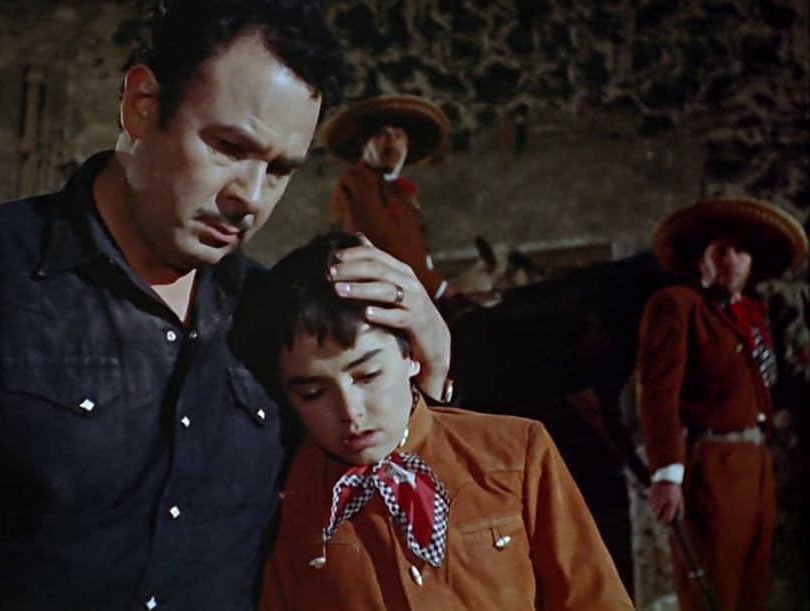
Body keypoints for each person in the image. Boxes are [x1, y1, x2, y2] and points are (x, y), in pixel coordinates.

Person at [0, 0, 453, 611]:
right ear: (142, 104)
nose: (251, 198)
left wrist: (430, 369)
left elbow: (390, 505)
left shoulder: (272, 320)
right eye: (229, 146)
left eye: (280, 170)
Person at [234, 232, 634, 610]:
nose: (350, 412)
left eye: (368, 375)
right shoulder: (284, 505)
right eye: (312, 393)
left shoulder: (516, 453)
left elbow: (595, 599)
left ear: (411, 354)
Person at [636, 197, 808, 611]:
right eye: (720, 250)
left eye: (740, 251)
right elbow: (659, 393)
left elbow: (761, 388)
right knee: (714, 588)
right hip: (712, 464)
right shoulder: (679, 305)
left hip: (756, 462)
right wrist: (667, 473)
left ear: (751, 264)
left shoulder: (753, 318)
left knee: (753, 587)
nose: (731, 259)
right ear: (702, 262)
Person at [321, 94, 456, 301]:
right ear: (364, 145)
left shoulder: (403, 193)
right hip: (380, 295)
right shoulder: (358, 183)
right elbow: (384, 241)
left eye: (399, 135)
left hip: (413, 291)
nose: (392, 144)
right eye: (382, 135)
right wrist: (440, 288)